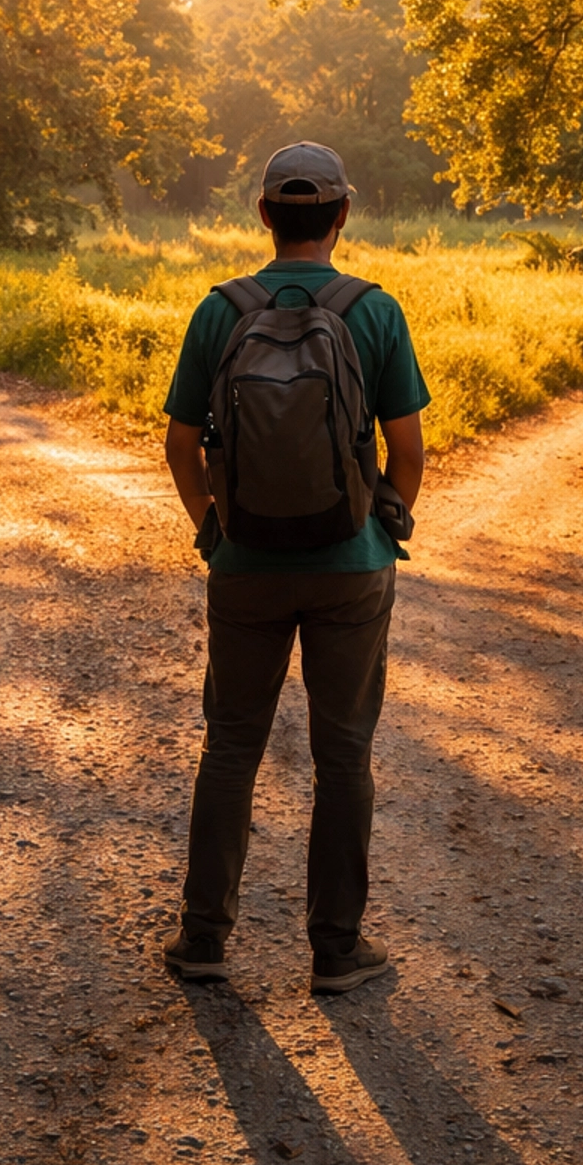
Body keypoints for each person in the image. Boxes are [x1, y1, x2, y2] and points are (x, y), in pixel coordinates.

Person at [159, 141, 428, 993]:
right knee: (344, 755)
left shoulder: (220, 310)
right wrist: (385, 517)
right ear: (342, 215)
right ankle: (337, 951)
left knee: (232, 747)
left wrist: (214, 526)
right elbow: (408, 446)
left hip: (246, 564)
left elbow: (178, 443)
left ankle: (204, 939)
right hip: (351, 566)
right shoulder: (374, 311)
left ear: (266, 216)